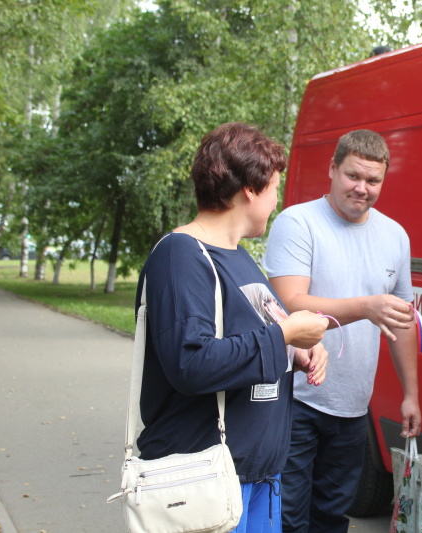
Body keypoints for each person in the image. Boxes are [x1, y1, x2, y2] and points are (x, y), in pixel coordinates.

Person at [135, 122, 330, 533]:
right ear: (251, 189)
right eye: (275, 187)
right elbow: (193, 363)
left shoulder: (239, 257)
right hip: (207, 479)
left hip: (257, 477)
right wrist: (285, 336)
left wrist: (297, 353)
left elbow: (250, 343)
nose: (276, 201)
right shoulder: (181, 255)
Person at [265, 129, 421, 533]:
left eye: (373, 181)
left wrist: (411, 395)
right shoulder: (298, 222)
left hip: (353, 408)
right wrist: (366, 307)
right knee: (287, 519)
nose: (362, 189)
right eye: (353, 176)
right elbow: (291, 302)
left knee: (333, 518)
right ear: (332, 169)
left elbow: (402, 322)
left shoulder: (395, 236)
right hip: (294, 399)